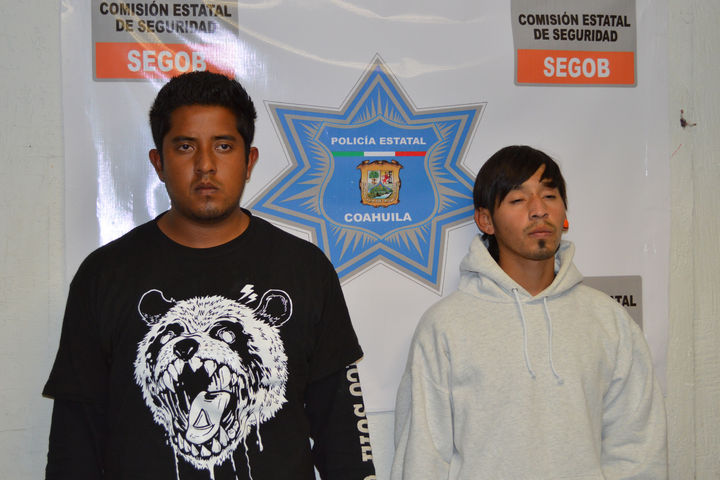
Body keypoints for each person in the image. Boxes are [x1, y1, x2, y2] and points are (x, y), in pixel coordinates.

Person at [44, 71, 376, 480]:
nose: (205, 165)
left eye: (223, 146)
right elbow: (73, 444)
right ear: (158, 162)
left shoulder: (305, 269)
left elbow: (343, 437)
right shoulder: (104, 275)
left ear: (249, 160)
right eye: (185, 146)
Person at [391, 145, 667, 479]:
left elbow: (638, 449)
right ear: (485, 220)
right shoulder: (445, 327)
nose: (539, 210)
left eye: (549, 195)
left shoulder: (608, 320)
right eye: (518, 200)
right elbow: (423, 457)